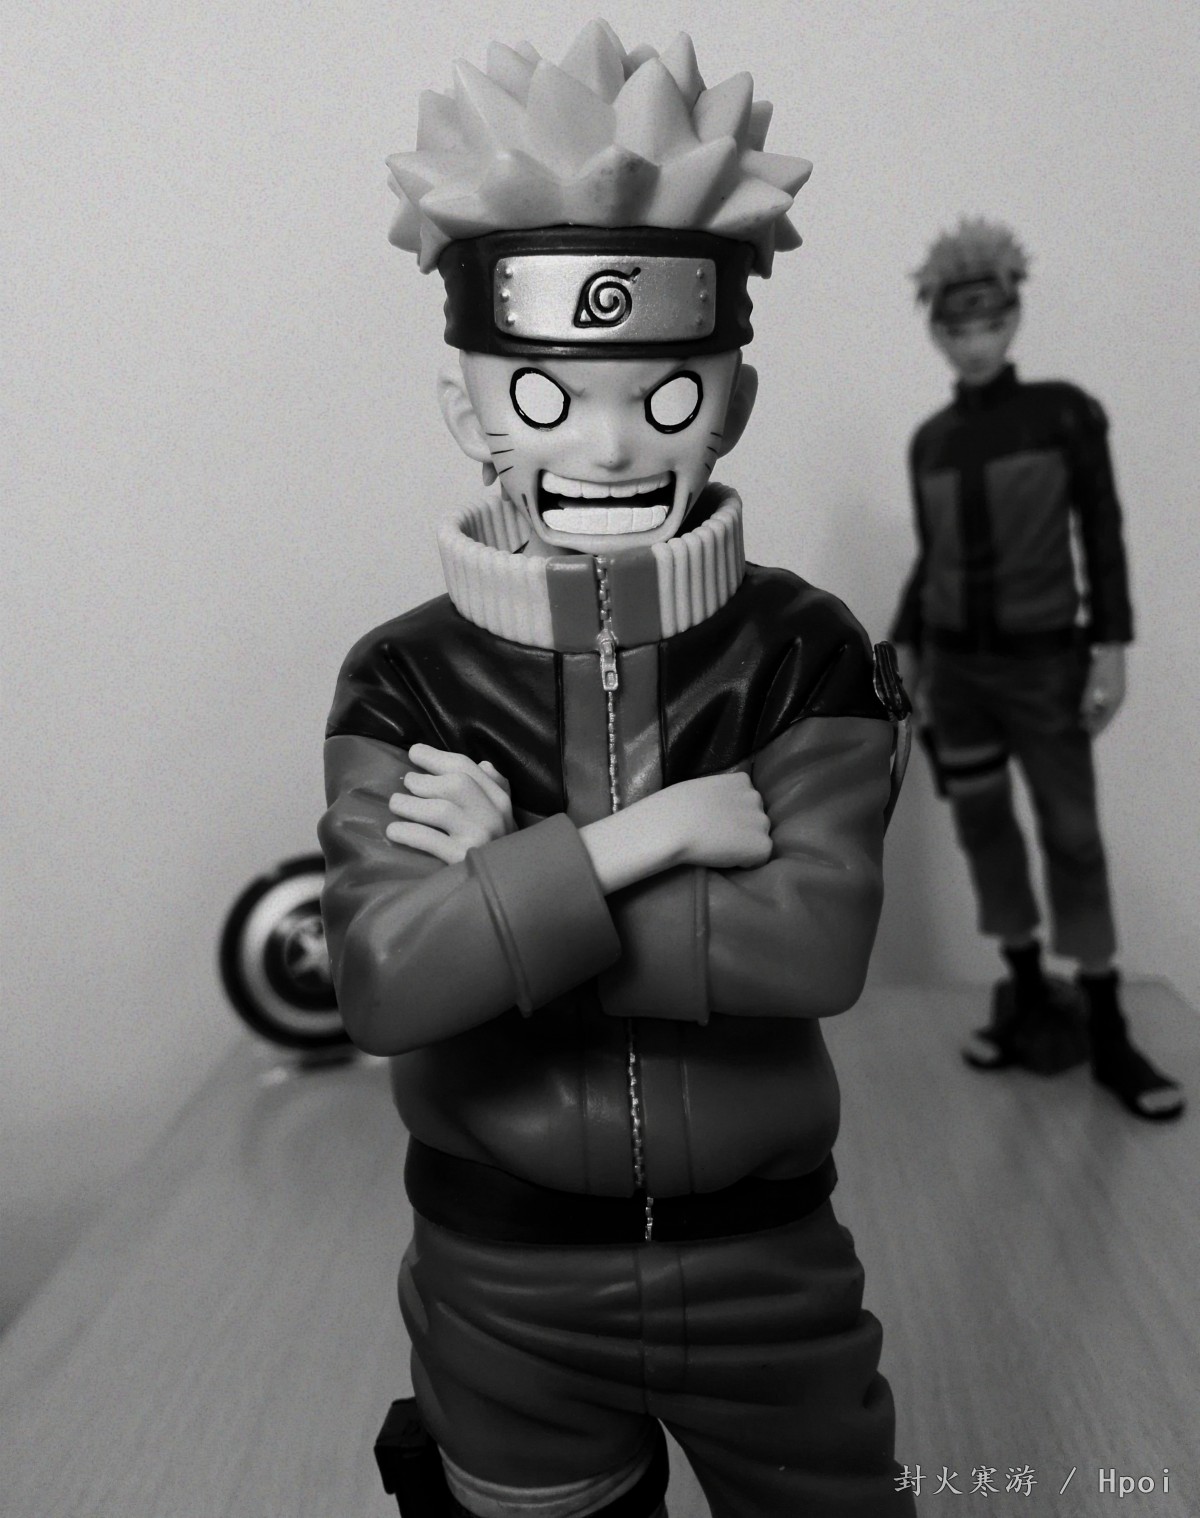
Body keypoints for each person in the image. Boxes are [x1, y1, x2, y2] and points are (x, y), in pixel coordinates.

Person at [320, 22, 915, 1516]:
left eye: (663, 394)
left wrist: (501, 888)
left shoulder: (803, 651)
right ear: (467, 409)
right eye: (545, 395)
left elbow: (816, 943)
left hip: (768, 1267)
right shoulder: (404, 677)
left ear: (731, 402)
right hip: (500, 1284)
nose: (604, 444)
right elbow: (384, 981)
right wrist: (632, 841)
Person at [891, 216, 1183, 1123]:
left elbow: (1103, 532)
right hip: (957, 676)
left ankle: (1107, 1022)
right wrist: (906, 653)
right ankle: (1023, 991)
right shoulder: (932, 441)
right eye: (958, 325)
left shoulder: (1064, 414)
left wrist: (1112, 649)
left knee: (1073, 835)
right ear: (937, 331)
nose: (976, 340)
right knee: (985, 828)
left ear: (1014, 316)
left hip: (1044, 667)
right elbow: (933, 558)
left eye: (991, 320)